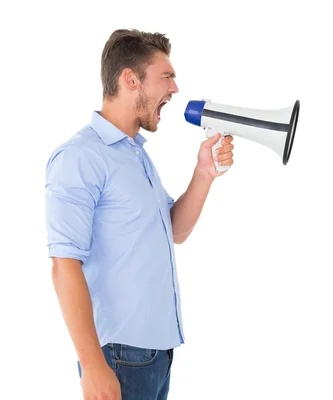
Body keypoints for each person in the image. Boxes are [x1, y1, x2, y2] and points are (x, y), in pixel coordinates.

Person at [44, 28, 233, 399]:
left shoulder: (134, 155)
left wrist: (204, 173)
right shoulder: (81, 156)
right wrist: (94, 365)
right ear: (130, 79)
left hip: (155, 356)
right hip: (117, 356)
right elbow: (64, 264)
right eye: (166, 77)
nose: (175, 89)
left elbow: (174, 230)